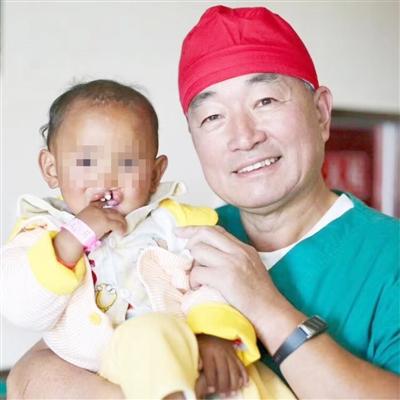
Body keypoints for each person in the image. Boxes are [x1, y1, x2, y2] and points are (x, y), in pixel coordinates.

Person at [7, 5, 399, 399]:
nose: (244, 136)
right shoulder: (176, 234)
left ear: (321, 113)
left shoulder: (387, 257)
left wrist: (266, 307)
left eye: (265, 101)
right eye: (212, 117)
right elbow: (30, 375)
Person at [2, 79, 287, 399]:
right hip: (103, 370)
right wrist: (72, 239)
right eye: (86, 162)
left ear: (154, 173)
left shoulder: (174, 225)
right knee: (146, 333)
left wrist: (214, 332)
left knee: (250, 381)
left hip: (186, 350)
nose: (107, 178)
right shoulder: (43, 231)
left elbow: (214, 284)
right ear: (51, 168)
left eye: (127, 163)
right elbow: (21, 308)